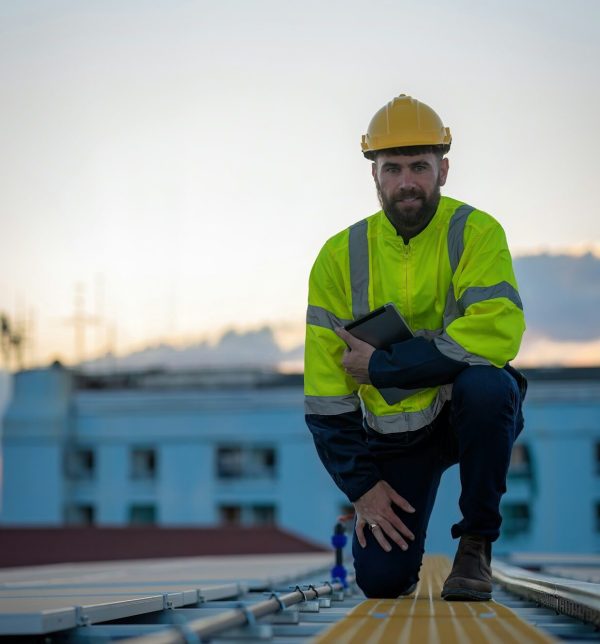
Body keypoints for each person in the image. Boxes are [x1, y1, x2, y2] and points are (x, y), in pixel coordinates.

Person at [304, 94, 526, 601]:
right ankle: (396, 557)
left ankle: (476, 546)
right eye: (394, 167)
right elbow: (324, 396)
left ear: (443, 170)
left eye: (420, 166)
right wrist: (363, 489)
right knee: (382, 582)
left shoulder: (476, 232)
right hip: (396, 438)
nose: (408, 181)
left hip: (465, 414)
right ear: (375, 176)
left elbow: (497, 332)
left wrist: (382, 367)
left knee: (490, 385)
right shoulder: (338, 257)